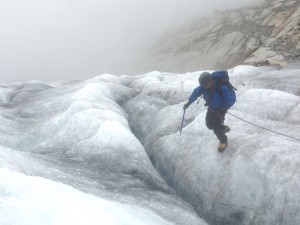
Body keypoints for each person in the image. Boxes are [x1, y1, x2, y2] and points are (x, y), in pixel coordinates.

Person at [183, 71, 236, 152]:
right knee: (209, 125)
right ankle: (223, 128)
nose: (204, 87)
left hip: (221, 109)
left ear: (210, 81)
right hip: (212, 108)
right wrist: (188, 103)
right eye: (203, 85)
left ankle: (223, 140)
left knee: (215, 127)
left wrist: (224, 107)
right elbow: (196, 93)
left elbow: (231, 98)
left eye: (205, 84)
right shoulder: (204, 87)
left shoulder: (221, 87)